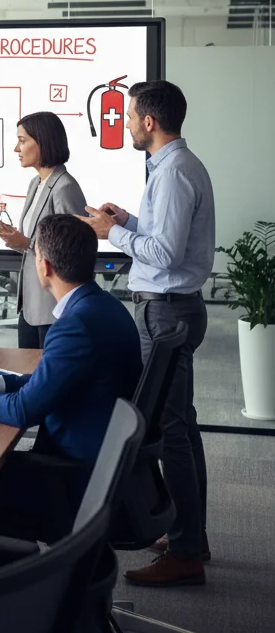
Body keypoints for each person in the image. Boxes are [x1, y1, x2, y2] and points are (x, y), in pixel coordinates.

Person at [82, 79, 215, 587]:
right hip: (169, 309)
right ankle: (191, 535)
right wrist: (128, 219)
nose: (127, 122)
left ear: (150, 122)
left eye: (130, 115)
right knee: (183, 426)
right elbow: (162, 236)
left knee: (171, 433)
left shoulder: (175, 172)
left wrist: (109, 233)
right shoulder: (170, 168)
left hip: (167, 312)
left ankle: (185, 552)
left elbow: (162, 254)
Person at [0, 214, 142, 544]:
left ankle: (35, 588)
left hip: (76, 475)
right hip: (103, 463)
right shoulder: (103, 306)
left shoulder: (75, 325)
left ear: (45, 266)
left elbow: (26, 411)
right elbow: (49, 381)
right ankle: (50, 582)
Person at [0, 111, 87, 349]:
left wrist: (27, 243)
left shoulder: (64, 188)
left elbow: (73, 250)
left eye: (23, 140)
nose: (17, 149)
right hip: (31, 305)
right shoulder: (36, 184)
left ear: (43, 142)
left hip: (53, 307)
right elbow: (26, 241)